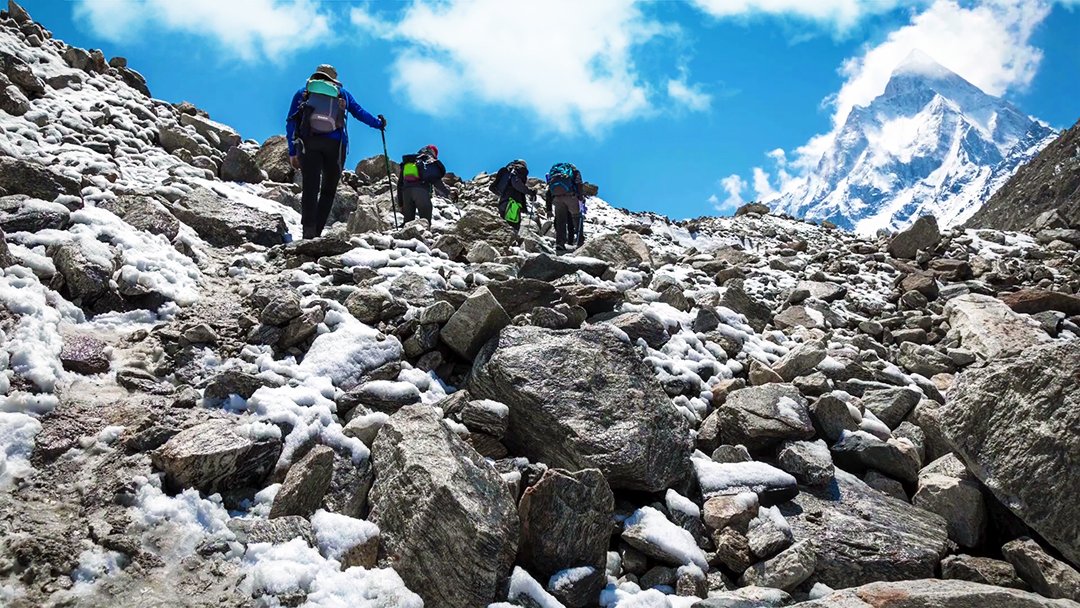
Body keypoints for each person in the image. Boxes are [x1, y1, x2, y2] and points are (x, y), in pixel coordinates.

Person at [286, 64, 385, 239]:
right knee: (328, 190)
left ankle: (308, 232)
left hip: (309, 142)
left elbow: (291, 121)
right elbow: (359, 112)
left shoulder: (304, 92)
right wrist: (378, 123)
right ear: (333, 78)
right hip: (335, 146)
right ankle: (317, 232)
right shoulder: (341, 93)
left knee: (310, 187)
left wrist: (293, 151)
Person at [397, 144, 449, 223]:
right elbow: (435, 180)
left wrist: (401, 203)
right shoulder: (427, 160)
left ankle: (406, 234)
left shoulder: (409, 161)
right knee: (425, 221)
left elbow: (400, 184)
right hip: (421, 191)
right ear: (432, 151)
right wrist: (448, 193)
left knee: (407, 223)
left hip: (406, 193)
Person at [544, 162, 584, 252]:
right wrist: (580, 197)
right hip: (570, 196)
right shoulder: (574, 171)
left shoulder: (554, 174)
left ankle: (560, 244)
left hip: (556, 198)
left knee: (560, 221)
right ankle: (580, 242)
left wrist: (549, 208)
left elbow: (548, 190)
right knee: (577, 217)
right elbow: (579, 183)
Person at [489, 159, 536, 233]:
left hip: (503, 202)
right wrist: (530, 192)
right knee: (513, 228)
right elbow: (517, 184)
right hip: (512, 203)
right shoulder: (519, 169)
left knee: (504, 227)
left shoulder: (508, 171)